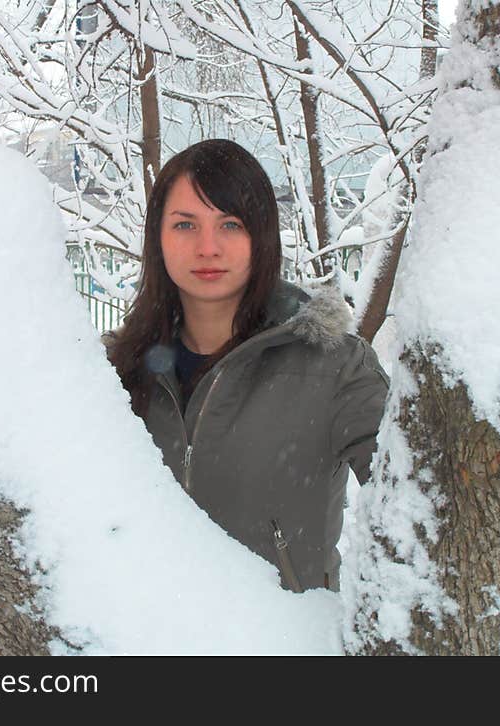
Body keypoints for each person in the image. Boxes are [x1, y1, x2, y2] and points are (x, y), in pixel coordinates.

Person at [105, 139, 389, 592]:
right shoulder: (110, 373)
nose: (208, 247)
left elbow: (419, 501)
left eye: (231, 224)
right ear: (157, 238)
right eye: (184, 224)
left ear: (262, 236)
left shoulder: (335, 366)